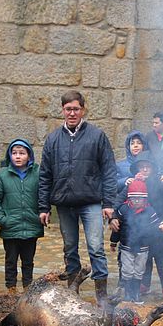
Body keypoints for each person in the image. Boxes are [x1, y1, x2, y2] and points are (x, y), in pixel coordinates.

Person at [38, 90, 118, 307]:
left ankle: (101, 295)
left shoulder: (97, 136)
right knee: (70, 248)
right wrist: (43, 207)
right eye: (68, 109)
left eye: (76, 108)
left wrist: (109, 203)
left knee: (96, 248)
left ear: (82, 109)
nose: (72, 113)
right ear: (62, 110)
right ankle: (73, 290)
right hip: (64, 203)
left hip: (90, 201)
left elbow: (109, 171)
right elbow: (45, 174)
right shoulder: (53, 138)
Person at [110, 151, 163, 301]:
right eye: (141, 167)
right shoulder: (133, 184)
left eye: (148, 167)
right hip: (140, 230)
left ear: (153, 168)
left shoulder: (162, 182)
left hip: (159, 226)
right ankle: (144, 284)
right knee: (144, 258)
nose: (145, 170)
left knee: (161, 259)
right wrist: (114, 216)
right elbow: (119, 201)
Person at [0, 138, 44, 291]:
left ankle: (28, 289)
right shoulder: (3, 176)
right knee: (11, 261)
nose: (18, 156)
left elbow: (44, 195)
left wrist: (40, 214)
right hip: (10, 228)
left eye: (22, 153)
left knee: (28, 262)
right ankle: (11, 290)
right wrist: (1, 219)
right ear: (10, 156)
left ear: (29, 156)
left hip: (31, 226)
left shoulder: (37, 173)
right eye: (14, 153)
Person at [111, 179, 162, 304]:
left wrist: (160, 230)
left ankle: (136, 294)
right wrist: (113, 242)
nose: (137, 200)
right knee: (127, 271)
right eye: (133, 198)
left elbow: (156, 228)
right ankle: (128, 294)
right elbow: (116, 228)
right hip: (126, 247)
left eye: (140, 198)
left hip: (143, 248)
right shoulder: (123, 209)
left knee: (139, 271)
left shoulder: (150, 212)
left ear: (145, 199)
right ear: (129, 198)